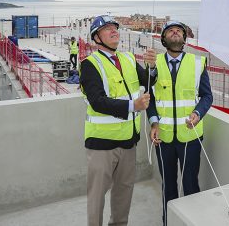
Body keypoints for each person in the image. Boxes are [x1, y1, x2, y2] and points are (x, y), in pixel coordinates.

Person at [80, 15, 152, 226]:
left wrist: (152, 67)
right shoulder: (90, 64)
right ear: (96, 37)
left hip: (128, 141)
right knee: (96, 197)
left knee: (124, 192)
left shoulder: (128, 58)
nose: (114, 31)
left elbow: (149, 80)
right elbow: (97, 102)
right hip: (102, 144)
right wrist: (133, 106)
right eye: (107, 28)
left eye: (115, 28)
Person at [146, 21, 213, 224]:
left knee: (190, 183)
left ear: (184, 39)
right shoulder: (153, 63)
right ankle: (169, 221)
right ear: (163, 39)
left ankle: (192, 221)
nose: (175, 33)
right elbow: (149, 96)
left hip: (190, 137)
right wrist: (154, 123)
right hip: (163, 138)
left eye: (179, 31)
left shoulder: (197, 63)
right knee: (169, 185)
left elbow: (207, 96)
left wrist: (198, 113)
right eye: (170, 31)